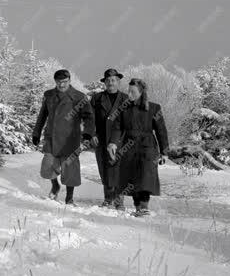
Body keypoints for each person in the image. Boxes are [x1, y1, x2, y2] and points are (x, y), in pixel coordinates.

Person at [32, 69, 95, 206]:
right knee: (47, 166)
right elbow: (42, 115)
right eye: (59, 82)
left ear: (69, 80)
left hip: (70, 139)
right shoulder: (48, 95)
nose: (61, 85)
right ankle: (55, 185)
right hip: (51, 137)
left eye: (64, 82)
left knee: (70, 169)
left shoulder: (79, 97)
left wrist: (88, 134)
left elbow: (89, 117)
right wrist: (36, 133)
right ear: (55, 81)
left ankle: (69, 197)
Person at [109, 78, 169, 217]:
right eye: (128, 91)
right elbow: (117, 128)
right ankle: (138, 208)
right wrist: (112, 143)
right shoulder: (123, 108)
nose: (129, 94)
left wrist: (164, 151)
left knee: (145, 177)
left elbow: (161, 130)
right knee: (132, 177)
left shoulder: (154, 108)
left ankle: (144, 207)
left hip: (148, 147)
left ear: (141, 92)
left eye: (133, 91)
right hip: (128, 147)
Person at [90, 68, 128, 209]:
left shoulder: (126, 99)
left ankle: (119, 201)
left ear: (118, 82)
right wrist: (92, 134)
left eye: (113, 80)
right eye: (108, 80)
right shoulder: (97, 98)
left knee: (118, 171)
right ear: (104, 82)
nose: (111, 83)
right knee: (104, 170)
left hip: (121, 140)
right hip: (100, 139)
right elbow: (89, 118)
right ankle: (108, 199)